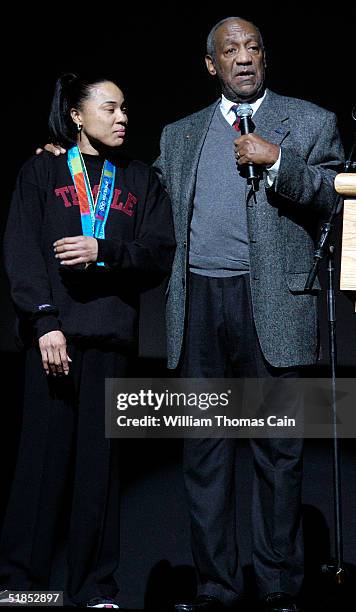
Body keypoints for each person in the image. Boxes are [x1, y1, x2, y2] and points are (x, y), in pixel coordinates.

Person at [152, 16, 344, 612]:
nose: (243, 57)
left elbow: (339, 191)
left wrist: (279, 160)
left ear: (265, 57)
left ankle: (279, 584)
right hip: (200, 302)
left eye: (252, 47)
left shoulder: (310, 121)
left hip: (274, 308)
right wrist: (67, 154)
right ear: (211, 65)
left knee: (277, 453)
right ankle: (215, 585)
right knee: (205, 451)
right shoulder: (179, 135)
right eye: (229, 50)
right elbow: (145, 204)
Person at [0, 73, 175, 608]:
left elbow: (157, 253)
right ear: (77, 115)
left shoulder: (140, 179)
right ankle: (22, 590)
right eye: (110, 108)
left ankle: (93, 589)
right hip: (52, 337)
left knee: (100, 473)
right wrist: (44, 319)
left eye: (125, 109)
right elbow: (22, 249)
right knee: (40, 469)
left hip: (110, 343)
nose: (123, 118)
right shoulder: (42, 169)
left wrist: (104, 249)